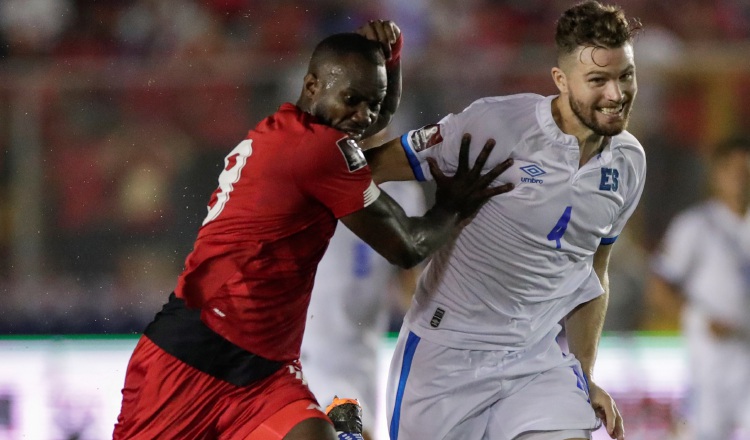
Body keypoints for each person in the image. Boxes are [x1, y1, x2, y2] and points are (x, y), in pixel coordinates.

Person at [113, 20, 515, 440]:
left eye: (370, 103)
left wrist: (391, 62)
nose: (363, 116)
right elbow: (408, 246)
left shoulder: (294, 132)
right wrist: (456, 203)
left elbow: (372, 118)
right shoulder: (320, 153)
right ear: (310, 87)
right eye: (351, 100)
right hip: (192, 360)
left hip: (265, 372)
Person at [365, 2, 645, 439]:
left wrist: (584, 373)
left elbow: (593, 270)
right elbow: (371, 166)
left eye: (625, 75)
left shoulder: (629, 163)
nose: (616, 94)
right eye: (597, 80)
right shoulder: (496, 124)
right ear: (561, 79)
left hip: (535, 361)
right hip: (445, 356)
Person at [301, 179, 426, 440]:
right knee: (347, 433)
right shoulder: (319, 179)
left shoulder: (405, 194)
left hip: (361, 360)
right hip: (313, 353)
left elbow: (409, 285)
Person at [647, 136, 750, 440]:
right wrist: (699, 319)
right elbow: (659, 286)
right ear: (716, 174)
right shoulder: (696, 226)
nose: (740, 177)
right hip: (713, 360)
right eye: (733, 169)